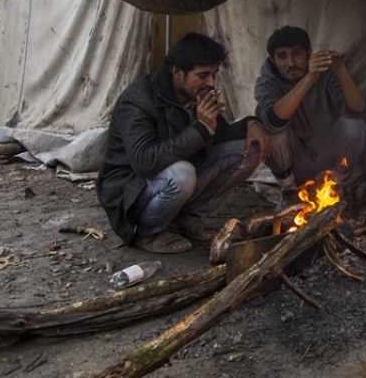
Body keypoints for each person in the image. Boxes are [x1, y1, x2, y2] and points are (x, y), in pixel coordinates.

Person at [97, 33, 268, 254]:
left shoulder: (199, 93)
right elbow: (144, 162)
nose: (211, 83)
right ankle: (148, 231)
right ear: (177, 72)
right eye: (203, 75)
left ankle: (183, 217)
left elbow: (222, 133)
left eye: (214, 75)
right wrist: (200, 129)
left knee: (249, 150)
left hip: (174, 178)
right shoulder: (139, 99)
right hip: (130, 190)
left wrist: (251, 124)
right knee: (182, 174)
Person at [254, 27, 366, 230]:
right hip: (295, 166)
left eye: (297, 53)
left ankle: (338, 186)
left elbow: (357, 110)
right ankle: (290, 195)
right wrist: (308, 79)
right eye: (282, 57)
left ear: (309, 53)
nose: (291, 63)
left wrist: (340, 70)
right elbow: (273, 121)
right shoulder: (267, 83)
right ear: (273, 61)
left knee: (353, 125)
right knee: (272, 133)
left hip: (330, 165)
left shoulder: (326, 75)